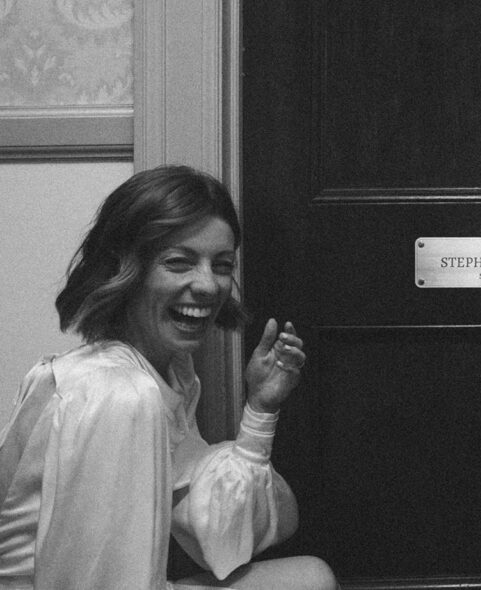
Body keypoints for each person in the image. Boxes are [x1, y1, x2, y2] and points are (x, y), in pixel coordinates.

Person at [0, 166, 338, 589]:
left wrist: (260, 409)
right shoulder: (116, 394)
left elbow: (212, 529)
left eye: (221, 265)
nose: (208, 285)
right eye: (178, 262)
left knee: (312, 577)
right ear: (126, 269)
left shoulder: (170, 373)